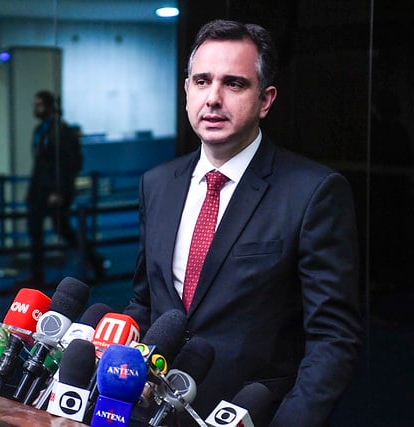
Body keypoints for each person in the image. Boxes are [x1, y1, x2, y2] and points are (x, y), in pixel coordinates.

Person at [124, 19, 362, 427]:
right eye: (201, 81)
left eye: (234, 84)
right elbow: (145, 303)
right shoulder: (157, 184)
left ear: (265, 100)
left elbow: (333, 340)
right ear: (186, 92)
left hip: (254, 415)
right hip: (155, 415)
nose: (213, 98)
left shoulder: (313, 192)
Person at [24, 90, 106, 286]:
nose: (36, 109)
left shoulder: (62, 131)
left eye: (40, 105)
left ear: (50, 107)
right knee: (35, 231)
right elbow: (40, 163)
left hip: (55, 192)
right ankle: (37, 277)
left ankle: (96, 263)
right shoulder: (40, 130)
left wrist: (59, 191)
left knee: (64, 230)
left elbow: (71, 163)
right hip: (39, 191)